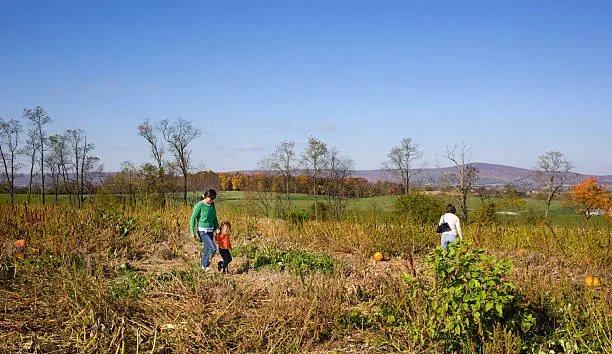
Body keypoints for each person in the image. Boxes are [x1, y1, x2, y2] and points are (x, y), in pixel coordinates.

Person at [190, 189, 219, 271]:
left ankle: (204, 267)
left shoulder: (212, 205)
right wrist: (192, 232)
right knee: (213, 249)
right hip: (202, 231)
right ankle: (205, 265)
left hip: (210, 230)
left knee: (207, 250)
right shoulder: (199, 205)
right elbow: (193, 219)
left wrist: (217, 228)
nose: (212, 200)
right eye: (211, 198)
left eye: (214, 198)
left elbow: (214, 218)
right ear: (206, 197)